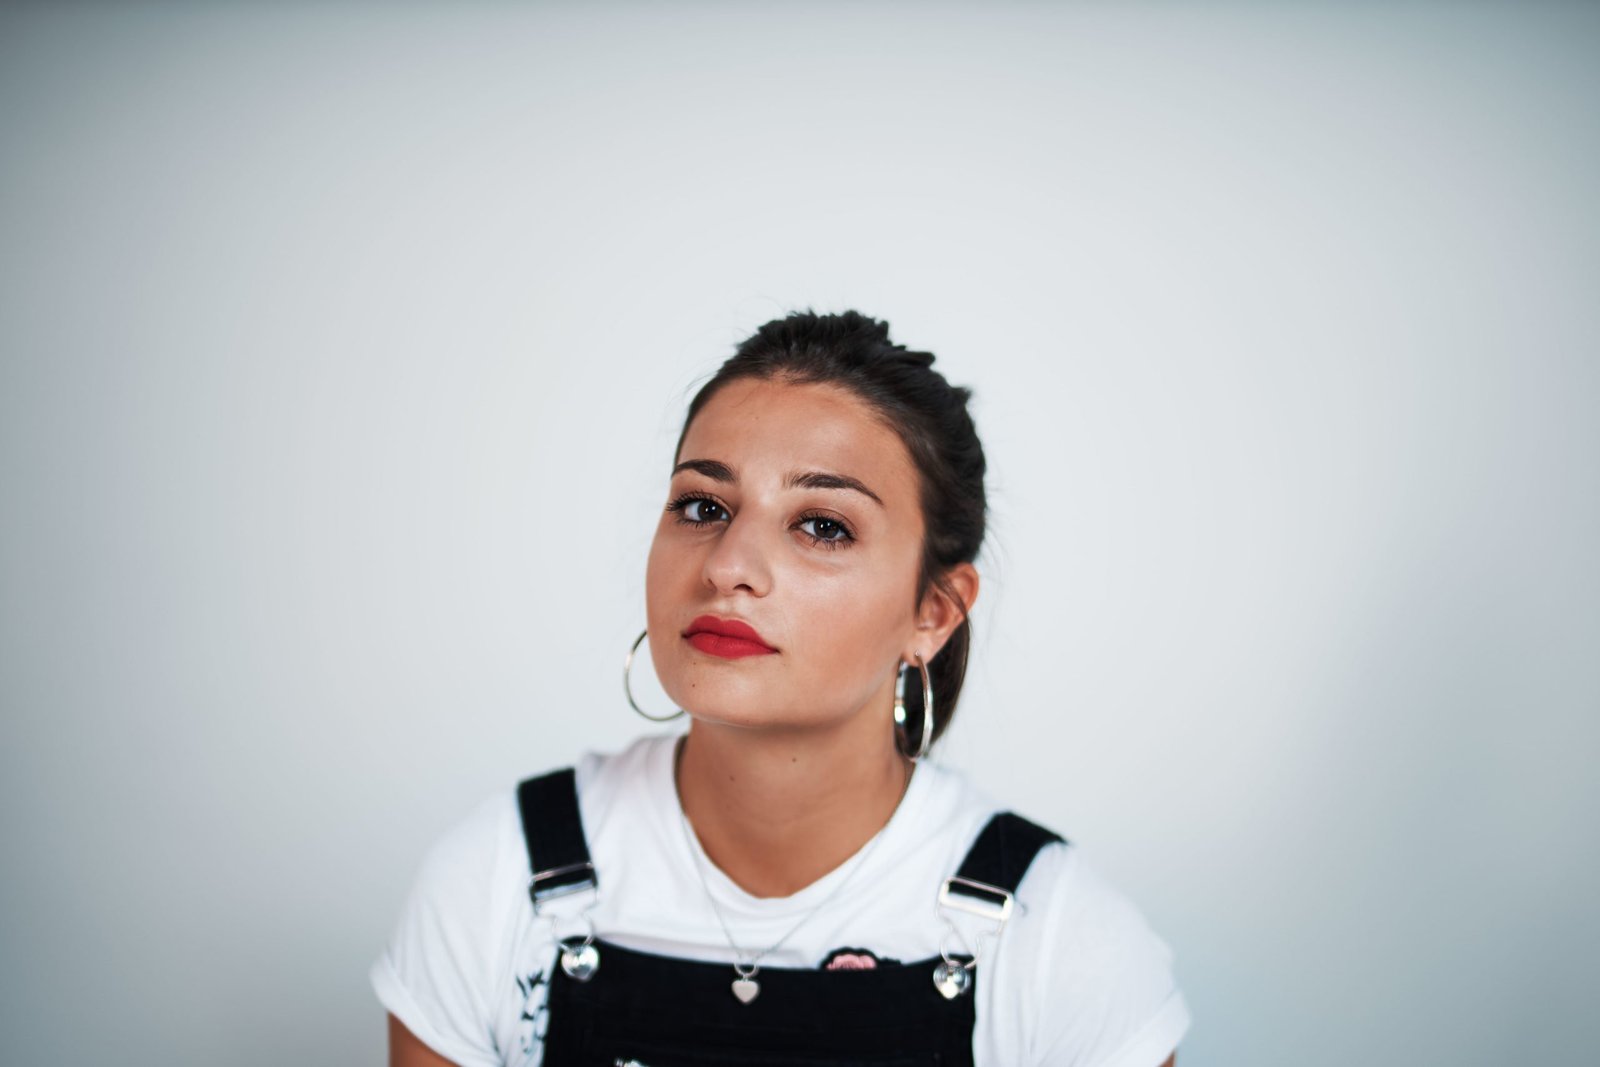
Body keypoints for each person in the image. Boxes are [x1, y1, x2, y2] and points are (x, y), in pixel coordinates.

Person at [371, 310, 1191, 1066]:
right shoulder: (500, 881)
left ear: (934, 611)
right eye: (702, 506)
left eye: (822, 525)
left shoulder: (1059, 944)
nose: (727, 566)